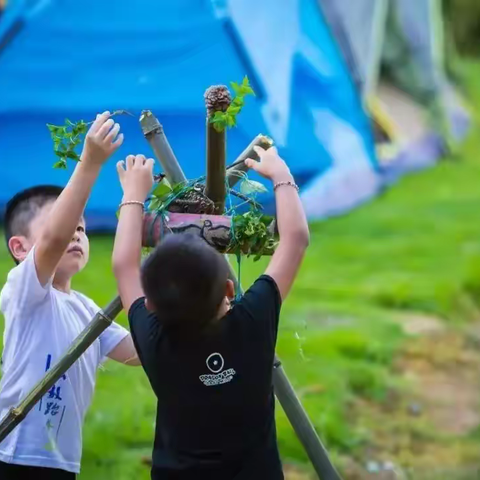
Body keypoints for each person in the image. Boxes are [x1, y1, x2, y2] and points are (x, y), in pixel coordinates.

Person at [112, 147, 309, 479]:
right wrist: (281, 176)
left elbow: (123, 266)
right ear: (229, 291)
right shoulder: (253, 320)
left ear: (150, 304)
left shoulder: (154, 340)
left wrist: (133, 194)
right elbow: (295, 239)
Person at [0, 112, 141, 480]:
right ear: (20, 247)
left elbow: (139, 352)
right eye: (66, 227)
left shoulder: (86, 310)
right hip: (13, 454)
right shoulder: (24, 290)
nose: (75, 234)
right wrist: (90, 162)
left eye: (82, 228)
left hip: (61, 463)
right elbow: (52, 241)